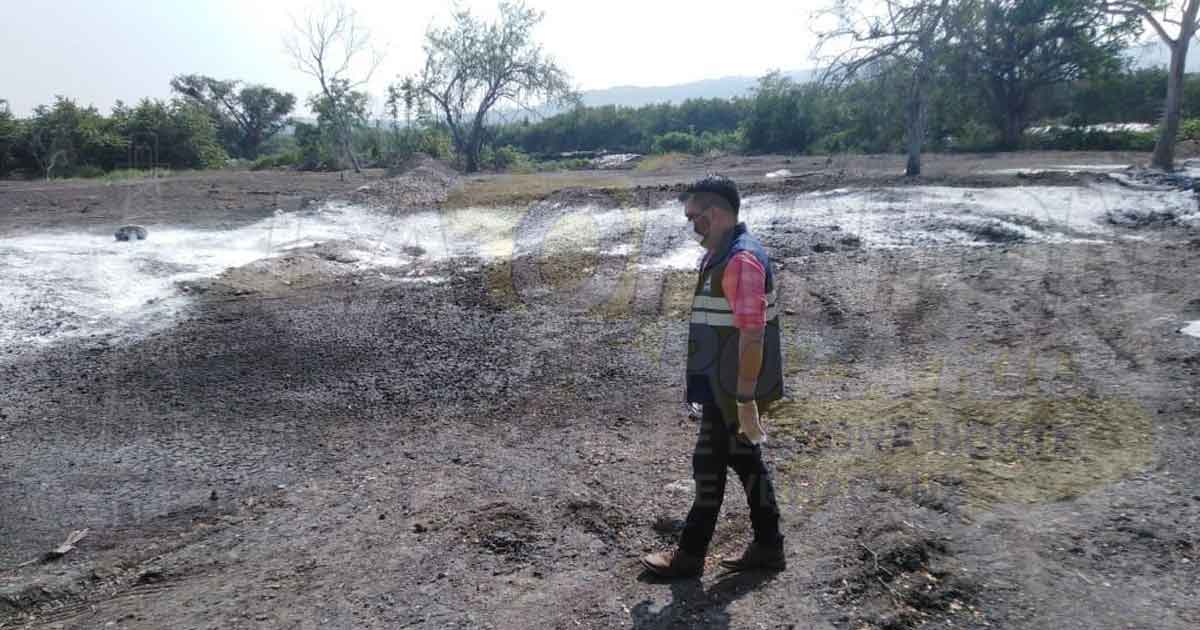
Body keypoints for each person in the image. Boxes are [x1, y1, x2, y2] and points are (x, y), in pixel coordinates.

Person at [641, 174, 786, 578]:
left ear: (718, 214)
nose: (692, 228)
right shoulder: (721, 254)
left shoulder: (741, 260)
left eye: (696, 219)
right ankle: (769, 547)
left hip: (733, 391)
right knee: (745, 462)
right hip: (724, 387)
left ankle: (689, 556)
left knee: (709, 466)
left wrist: (744, 401)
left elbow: (753, 336)